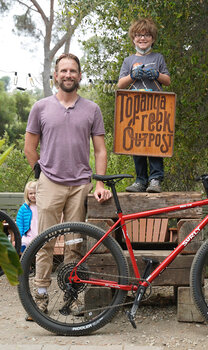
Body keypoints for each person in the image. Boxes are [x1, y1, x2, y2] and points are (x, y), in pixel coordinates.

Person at [24, 53, 111, 318]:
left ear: (80, 76)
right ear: (55, 75)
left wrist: (98, 182)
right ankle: (39, 299)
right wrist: (41, 175)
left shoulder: (92, 109)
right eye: (63, 71)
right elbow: (29, 148)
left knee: (75, 244)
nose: (68, 75)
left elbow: (100, 151)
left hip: (80, 186)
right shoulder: (41, 107)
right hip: (50, 183)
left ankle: (71, 299)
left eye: (73, 71)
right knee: (44, 243)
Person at [118, 18, 171, 193]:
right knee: (137, 142)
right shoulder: (128, 60)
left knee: (155, 140)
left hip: (156, 107)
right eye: (139, 35)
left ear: (153, 38)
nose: (142, 38)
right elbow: (120, 85)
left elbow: (168, 80)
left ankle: (155, 179)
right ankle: (140, 179)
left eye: (147, 35)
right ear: (133, 38)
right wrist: (133, 75)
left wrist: (156, 74)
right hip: (135, 108)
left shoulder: (158, 57)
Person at [16, 181, 38, 253]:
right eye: (31, 193)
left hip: (40, 233)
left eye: (35, 193)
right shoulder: (24, 208)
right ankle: (25, 261)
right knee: (23, 242)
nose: (33, 195)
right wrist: (20, 236)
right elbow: (20, 223)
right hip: (29, 234)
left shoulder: (42, 207)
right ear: (27, 194)